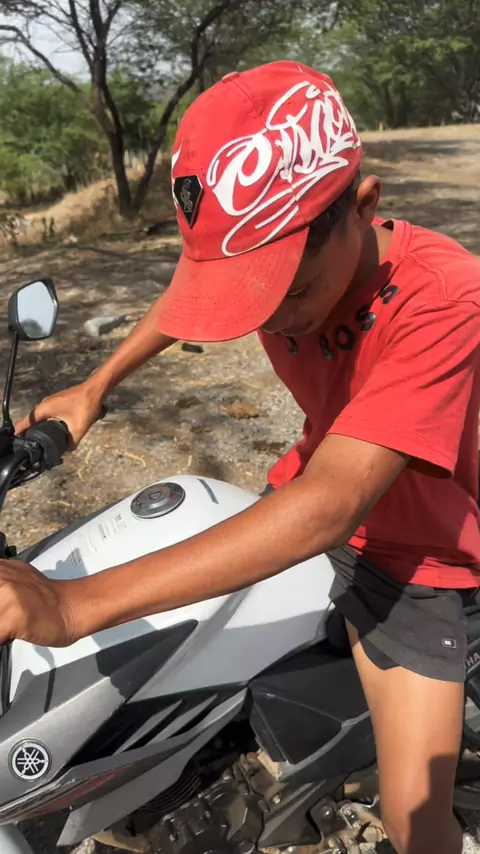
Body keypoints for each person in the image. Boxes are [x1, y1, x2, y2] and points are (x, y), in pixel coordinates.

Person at [2, 60, 480, 854]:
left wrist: (72, 605)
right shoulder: (279, 270)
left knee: (413, 819)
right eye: (243, 292)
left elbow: (333, 504)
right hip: (310, 484)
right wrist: (97, 384)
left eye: (287, 292)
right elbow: (186, 299)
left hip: (412, 559)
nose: (267, 318)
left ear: (364, 206)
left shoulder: (445, 298)